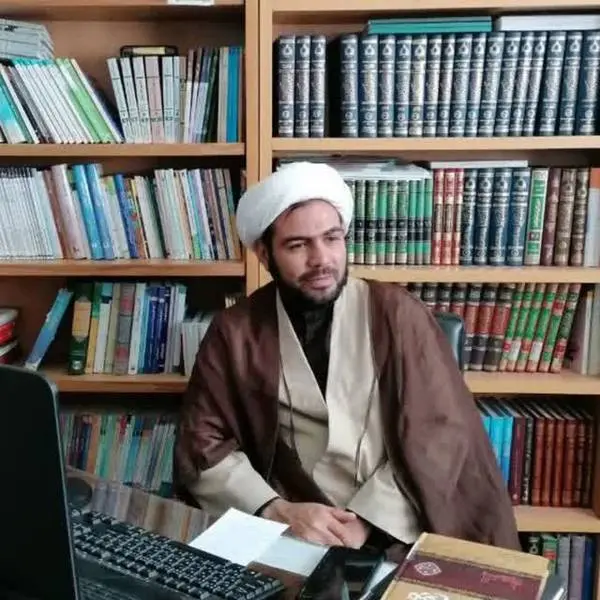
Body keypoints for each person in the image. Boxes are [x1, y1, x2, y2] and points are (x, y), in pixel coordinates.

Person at [173, 161, 521, 561]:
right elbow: (203, 442)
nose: (321, 259)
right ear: (264, 254)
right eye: (298, 245)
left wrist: (366, 519)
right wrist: (276, 510)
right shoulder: (235, 331)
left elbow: (440, 436)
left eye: (332, 238)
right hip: (286, 526)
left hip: (396, 525)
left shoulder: (399, 315)